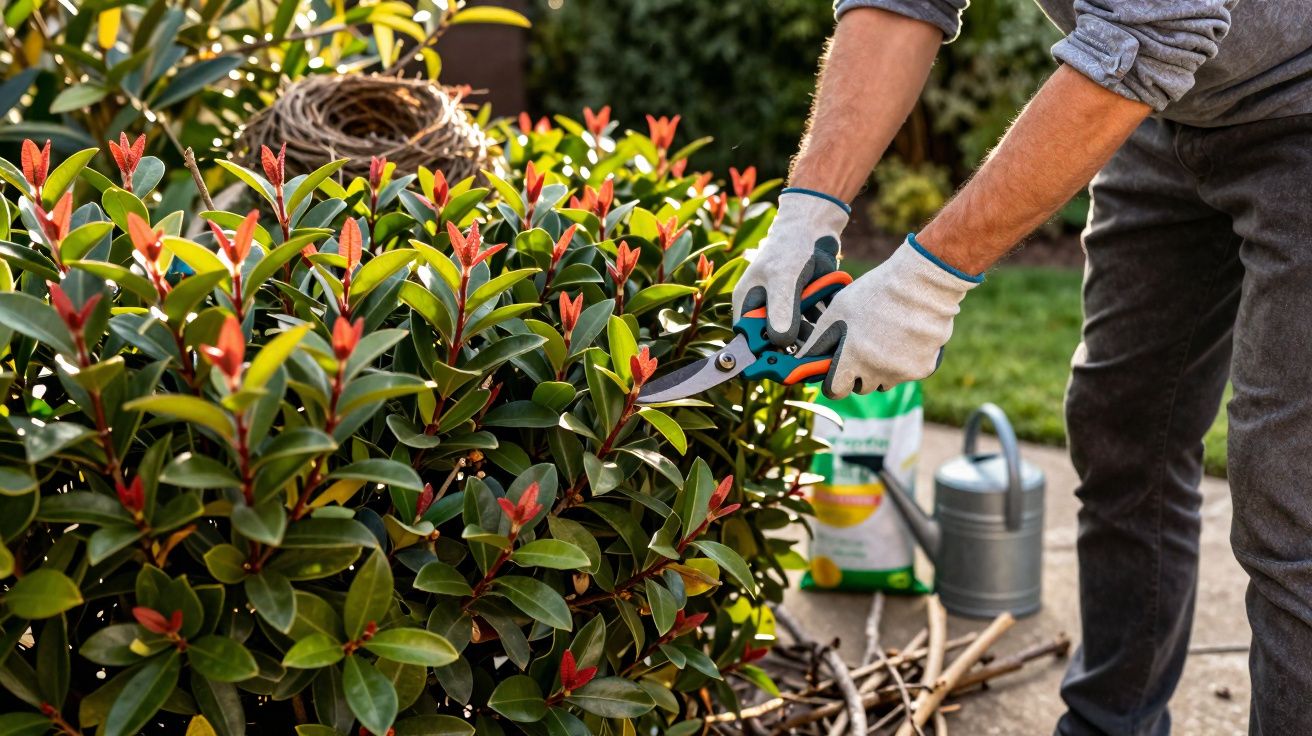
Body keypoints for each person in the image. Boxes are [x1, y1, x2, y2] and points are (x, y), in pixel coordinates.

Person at [732, 0, 1312, 733]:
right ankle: (1109, 724)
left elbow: (1152, 31)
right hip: (1168, 104)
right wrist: (808, 209)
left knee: (1292, 506)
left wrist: (926, 282)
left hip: (1290, 99)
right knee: (1122, 428)